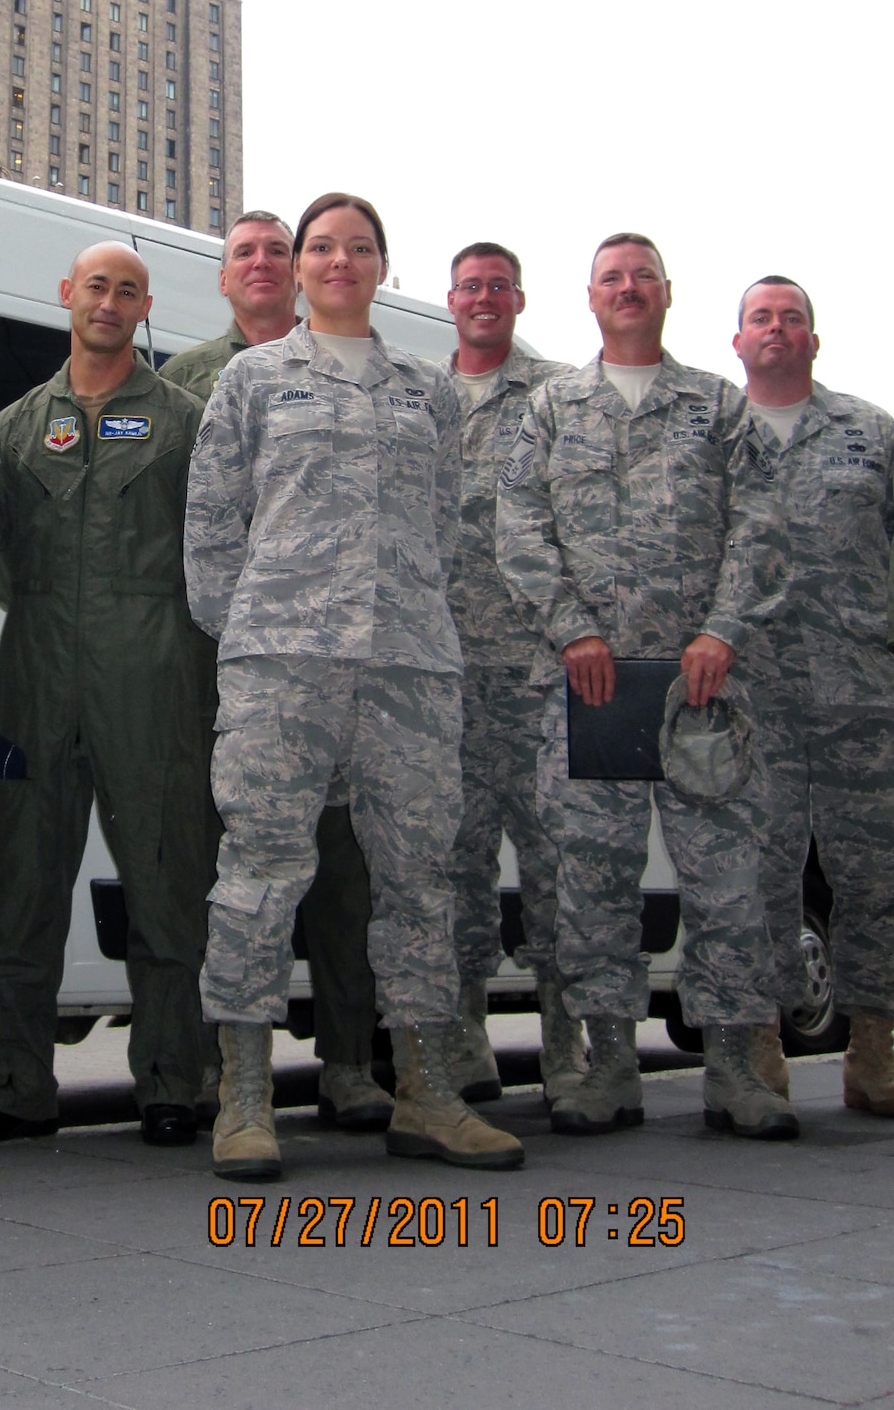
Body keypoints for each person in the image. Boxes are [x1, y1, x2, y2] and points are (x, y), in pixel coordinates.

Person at [187, 192, 524, 1182]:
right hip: (283, 664)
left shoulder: (427, 388)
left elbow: (446, 525)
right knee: (260, 869)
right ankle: (245, 1099)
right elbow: (210, 529)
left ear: (382, 264)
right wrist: (252, 635)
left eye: (358, 246)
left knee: (422, 875)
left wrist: (412, 620)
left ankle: (427, 1091)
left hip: (410, 668)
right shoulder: (252, 379)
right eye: (321, 246)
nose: (340, 260)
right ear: (298, 266)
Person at [496, 233, 794, 1139]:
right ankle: (609, 1067)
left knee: (727, 881)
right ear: (590, 299)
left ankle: (739, 1069)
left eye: (642, 277)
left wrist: (723, 632)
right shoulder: (551, 408)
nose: (628, 289)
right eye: (611, 278)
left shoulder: (716, 408)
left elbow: (763, 527)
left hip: (700, 689)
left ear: (667, 294)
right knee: (593, 881)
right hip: (590, 687)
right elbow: (519, 528)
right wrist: (571, 628)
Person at [0, 242, 216, 1146]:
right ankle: (11, 1086)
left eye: (126, 291)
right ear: (67, 293)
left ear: (145, 307)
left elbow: (216, 548)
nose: (108, 302)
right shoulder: (16, 428)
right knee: (22, 881)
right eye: (95, 286)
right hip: (36, 672)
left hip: (152, 674)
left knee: (164, 882)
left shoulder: (187, 422)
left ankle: (171, 1082)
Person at [162, 211, 390, 1133]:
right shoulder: (187, 380)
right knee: (236, 869)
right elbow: (194, 528)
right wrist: (239, 638)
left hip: (356, 671)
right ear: (225, 277)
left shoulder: (385, 381)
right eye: (242, 253)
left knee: (347, 878)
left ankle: (351, 1064)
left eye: (272, 249)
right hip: (239, 665)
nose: (260, 264)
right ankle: (214, 1079)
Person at [731, 277, 894, 1116]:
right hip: (753, 699)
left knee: (874, 874)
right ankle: (758, 1043)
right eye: (761, 317)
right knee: (759, 875)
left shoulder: (870, 434)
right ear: (738, 341)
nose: (778, 329)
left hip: (859, 694)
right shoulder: (714, 436)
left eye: (793, 318)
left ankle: (877, 1047)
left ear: (814, 340)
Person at [442, 243, 583, 1104]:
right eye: (470, 286)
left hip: (536, 676)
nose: (484, 298)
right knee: (455, 867)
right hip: (444, 678)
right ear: (450, 298)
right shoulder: (417, 397)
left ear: (519, 299)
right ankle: (462, 1042)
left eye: (498, 286)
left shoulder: (560, 398)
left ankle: (567, 1049)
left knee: (555, 868)